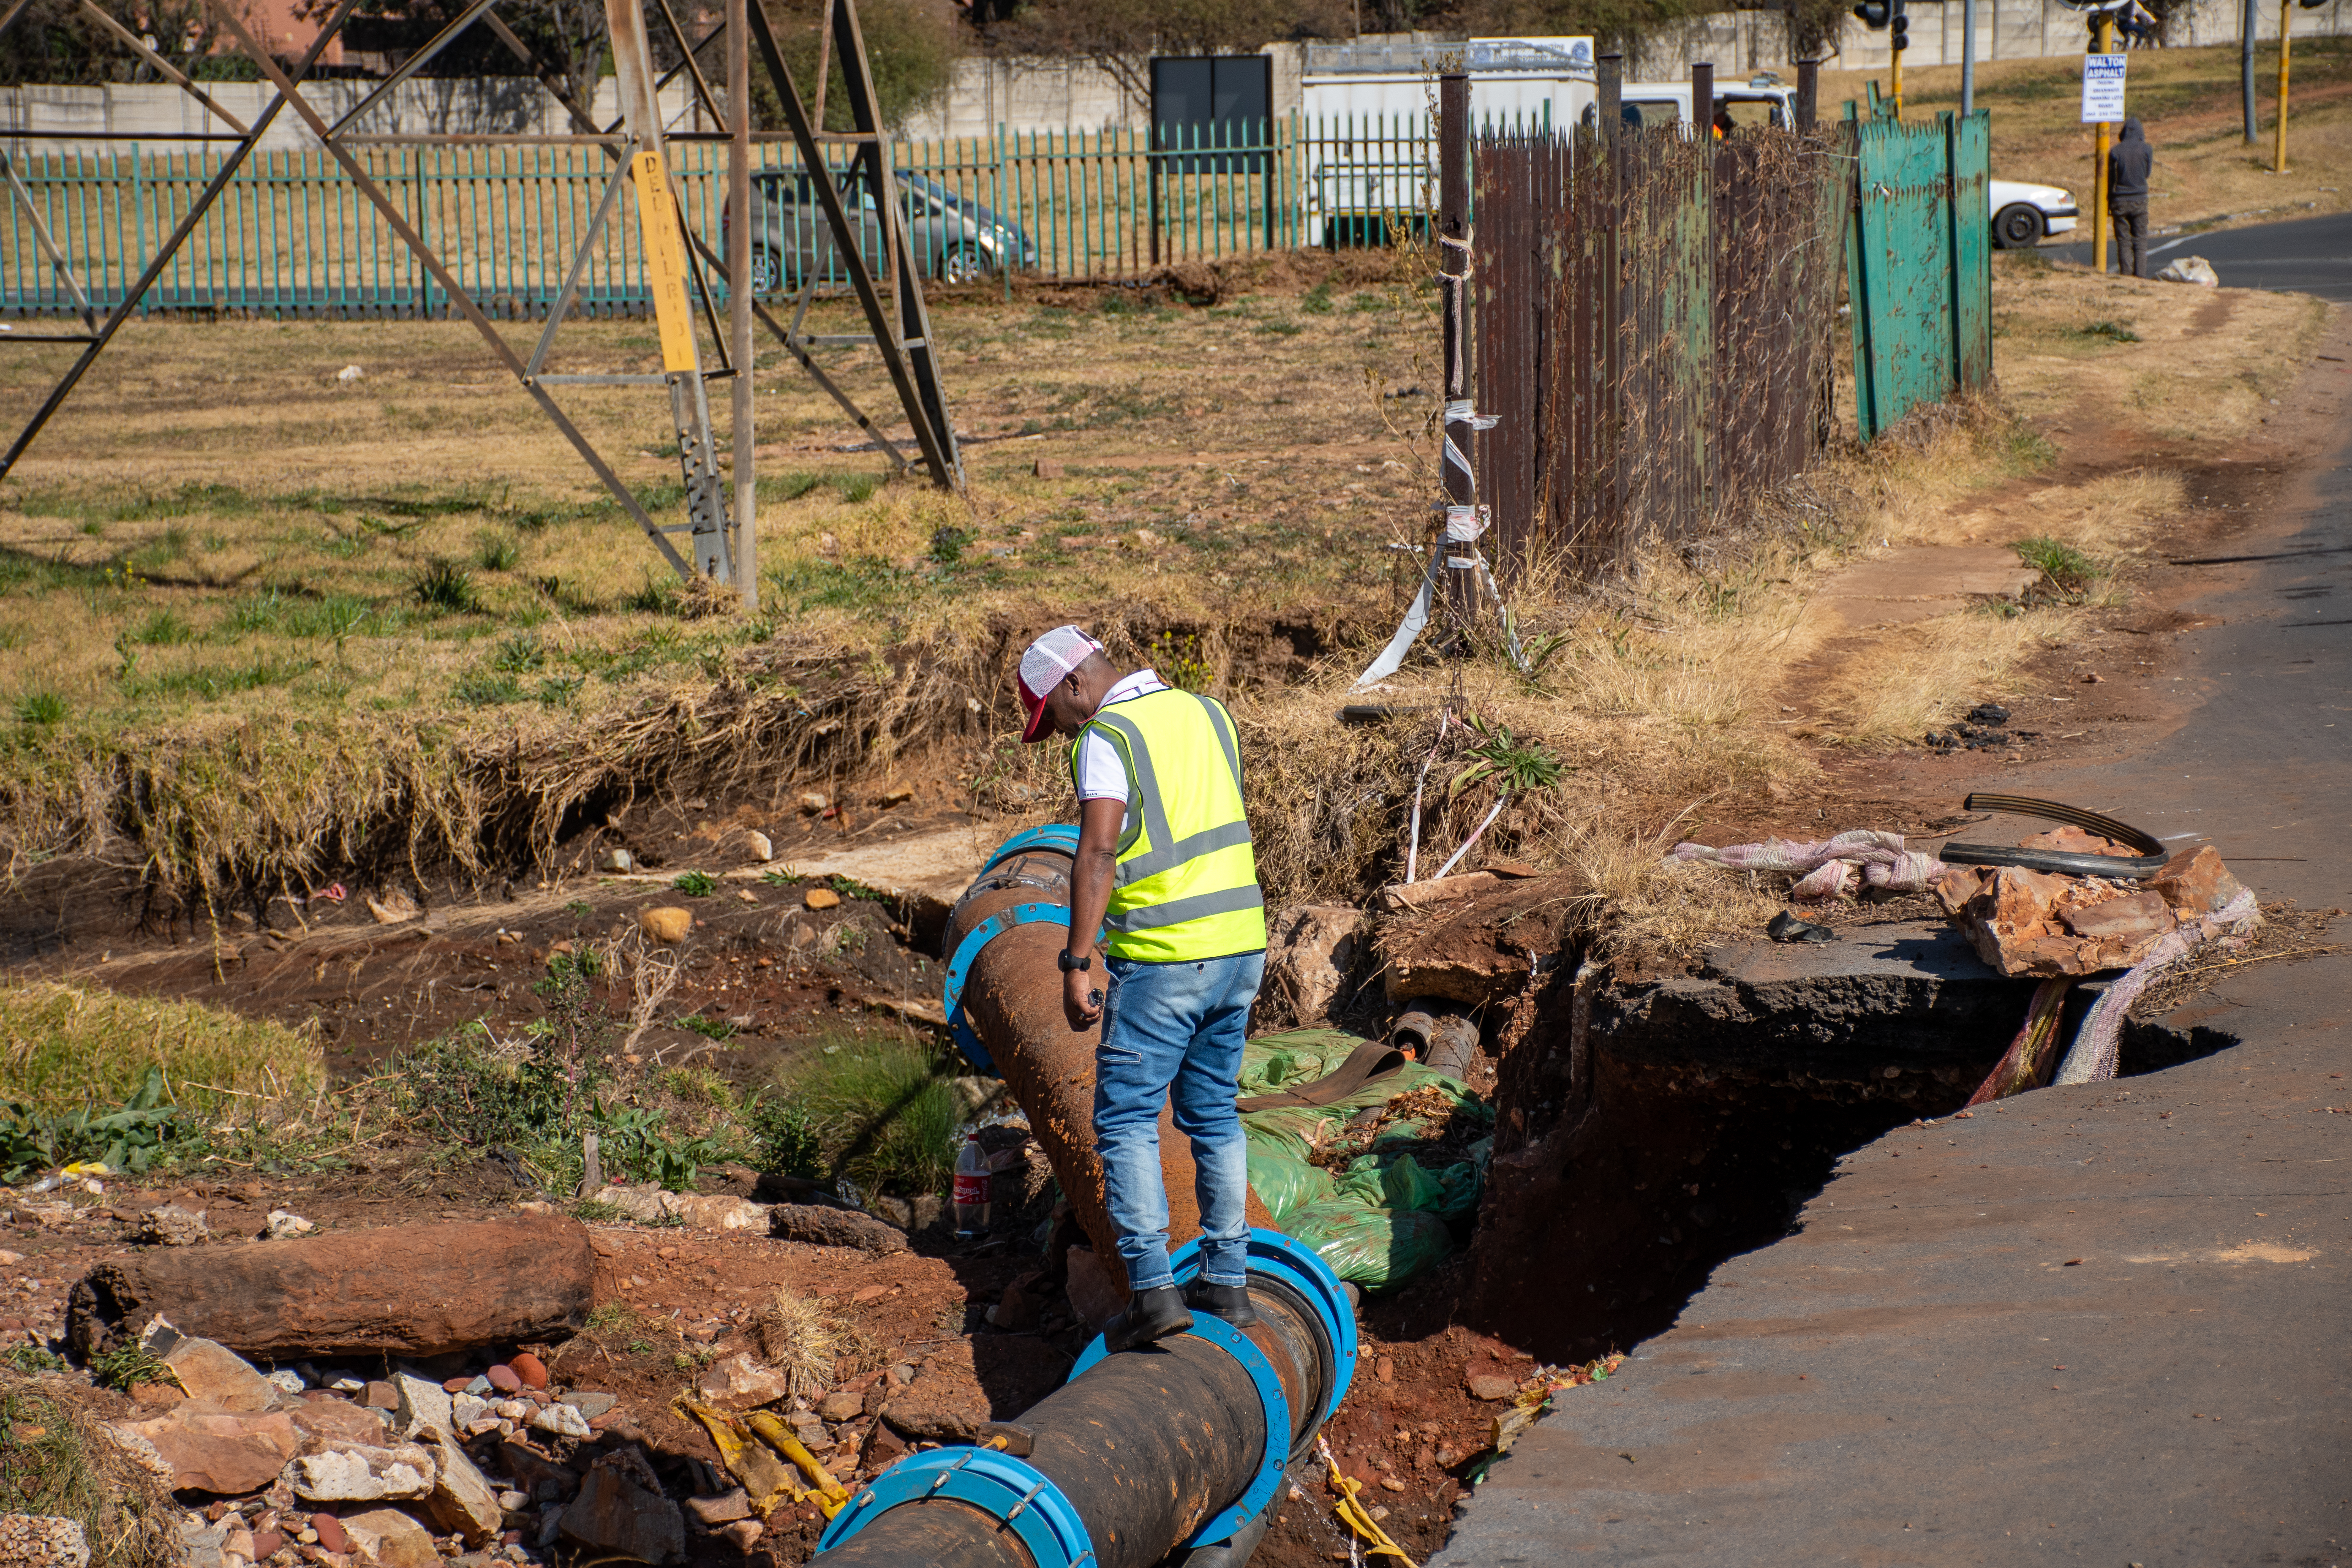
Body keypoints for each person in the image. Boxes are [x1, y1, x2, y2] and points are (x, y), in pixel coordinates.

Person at [1016, 624, 1267, 1352]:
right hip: (1239, 946)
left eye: (1054, 714)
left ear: (1073, 685)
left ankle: (1153, 1291)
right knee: (1212, 1113)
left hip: (1164, 954)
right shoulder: (1207, 712)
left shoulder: (1107, 736)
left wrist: (1075, 960)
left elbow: (1097, 849)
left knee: (1124, 1120)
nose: (1059, 729)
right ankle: (1227, 1278)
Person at [2108, 117, 2153, 278]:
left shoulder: (2115, 151)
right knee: (2140, 240)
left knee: (2124, 241)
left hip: (2119, 200)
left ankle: (2126, 277)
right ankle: (2141, 277)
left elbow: (2111, 180)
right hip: (2140, 199)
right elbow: (2147, 174)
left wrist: (2109, 201)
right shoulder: (2147, 149)